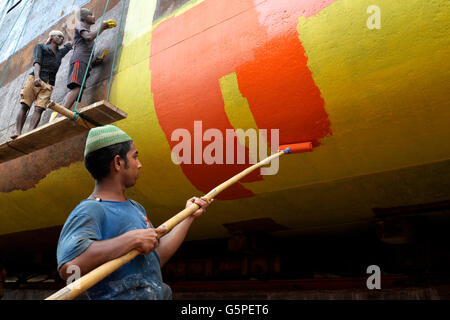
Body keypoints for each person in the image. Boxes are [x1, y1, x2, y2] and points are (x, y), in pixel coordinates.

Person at [56, 125, 213, 300]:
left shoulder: (136, 207)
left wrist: (188, 217)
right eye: (135, 156)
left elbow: (154, 259)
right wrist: (130, 240)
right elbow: (69, 270)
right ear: (118, 162)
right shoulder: (90, 210)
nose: (139, 164)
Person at [10, 30, 72, 139]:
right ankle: (18, 133)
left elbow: (71, 42)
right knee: (25, 105)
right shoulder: (41, 47)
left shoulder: (60, 53)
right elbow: (37, 62)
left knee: (39, 109)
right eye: (59, 36)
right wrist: (37, 77)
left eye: (62, 38)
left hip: (48, 84)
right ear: (51, 37)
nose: (62, 39)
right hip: (35, 79)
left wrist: (66, 29)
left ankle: (29, 133)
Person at [60, 8, 115, 112]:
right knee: (77, 88)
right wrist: (102, 27)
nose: (94, 16)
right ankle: (60, 115)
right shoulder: (80, 24)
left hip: (83, 62)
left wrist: (93, 62)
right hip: (79, 60)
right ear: (84, 17)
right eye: (91, 15)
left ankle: (60, 113)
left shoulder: (84, 30)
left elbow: (76, 42)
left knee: (76, 89)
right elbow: (89, 37)